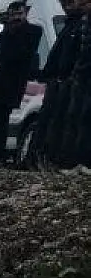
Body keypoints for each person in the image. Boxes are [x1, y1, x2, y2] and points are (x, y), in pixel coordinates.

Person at [0, 1, 44, 167]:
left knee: (0, 120)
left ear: (25, 14)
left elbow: (21, 53)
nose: (16, 18)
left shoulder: (33, 31)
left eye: (19, 14)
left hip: (11, 83)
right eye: (13, 15)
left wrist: (0, 57)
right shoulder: (6, 32)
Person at [31, 0, 84, 168]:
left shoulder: (81, 27)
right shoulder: (68, 26)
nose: (66, 6)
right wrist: (46, 74)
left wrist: (72, 76)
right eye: (63, 3)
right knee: (48, 121)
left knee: (62, 123)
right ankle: (40, 157)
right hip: (57, 81)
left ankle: (57, 160)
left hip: (71, 82)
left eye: (70, 2)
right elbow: (57, 55)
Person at [61, 1, 91, 167]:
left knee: (85, 118)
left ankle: (83, 162)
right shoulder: (84, 24)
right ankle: (73, 161)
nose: (82, 7)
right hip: (80, 77)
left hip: (85, 75)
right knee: (76, 117)